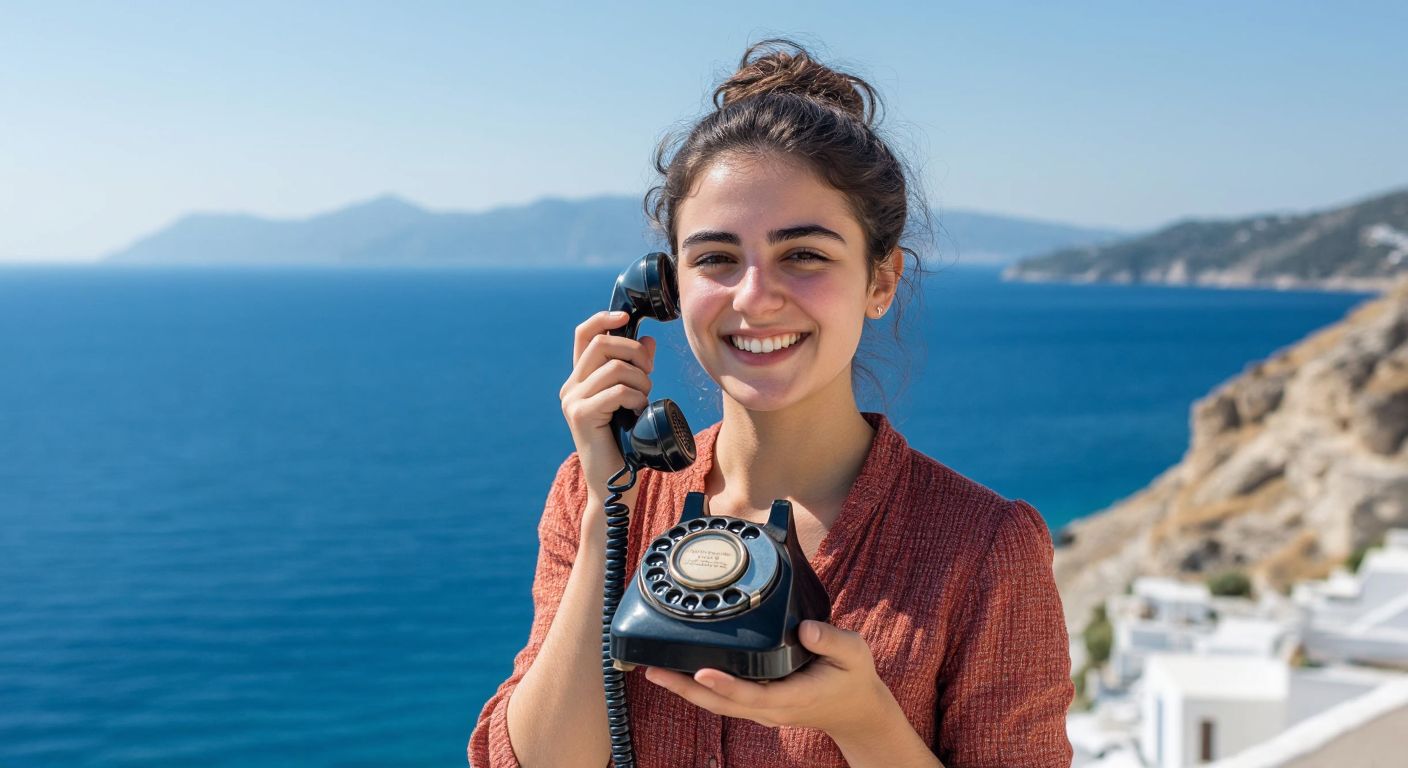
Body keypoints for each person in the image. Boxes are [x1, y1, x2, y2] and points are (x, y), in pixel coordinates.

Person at [469, 39, 1073, 768]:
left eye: (805, 255)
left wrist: (865, 721)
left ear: (881, 282)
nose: (754, 298)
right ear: (666, 290)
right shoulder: (592, 496)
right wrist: (609, 510)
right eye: (716, 259)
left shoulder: (984, 549)